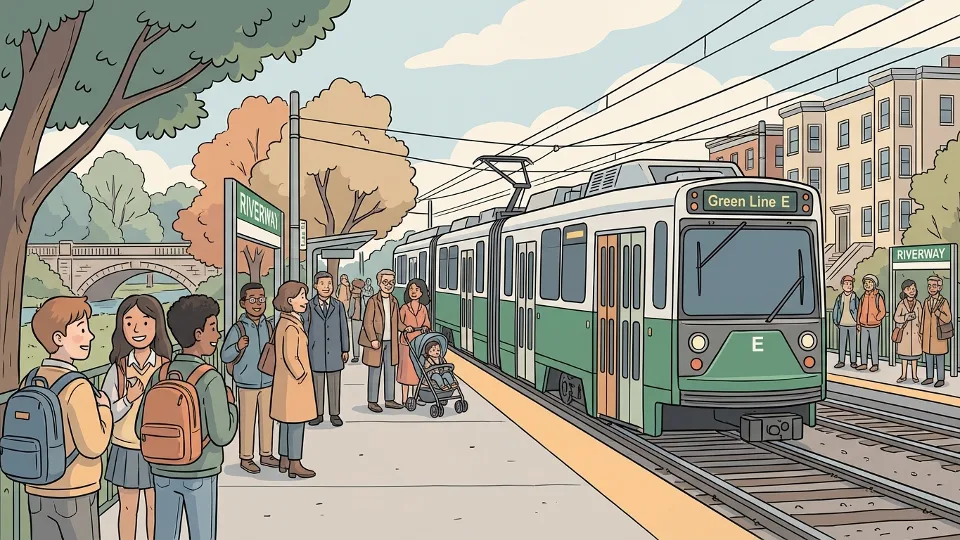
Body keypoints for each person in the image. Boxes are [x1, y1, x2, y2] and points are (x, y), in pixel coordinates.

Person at [136, 295, 238, 540]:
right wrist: (232, 406)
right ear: (198, 334)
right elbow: (222, 434)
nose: (217, 335)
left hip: (161, 468)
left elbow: (140, 427)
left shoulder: (160, 374)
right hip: (200, 470)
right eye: (212, 328)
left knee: (164, 533)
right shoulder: (210, 378)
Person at [22, 296, 113, 540]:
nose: (90, 336)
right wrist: (105, 410)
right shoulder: (77, 386)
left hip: (36, 487)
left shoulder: (30, 379)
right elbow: (93, 446)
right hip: (75, 490)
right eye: (81, 330)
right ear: (58, 338)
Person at [102, 295, 172, 540]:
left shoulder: (166, 366)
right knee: (127, 507)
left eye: (144, 322)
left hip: (159, 446)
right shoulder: (118, 369)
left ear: (157, 325)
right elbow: (108, 412)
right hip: (126, 446)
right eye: (129, 322)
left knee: (156, 506)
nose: (136, 329)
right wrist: (129, 399)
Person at [221, 282, 279, 475]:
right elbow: (225, 355)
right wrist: (237, 346)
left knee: (267, 419)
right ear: (243, 303)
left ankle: (266, 453)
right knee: (247, 421)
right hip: (246, 382)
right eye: (252, 300)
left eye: (261, 299)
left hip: (267, 381)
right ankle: (246, 457)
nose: (258, 304)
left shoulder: (268, 325)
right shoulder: (238, 328)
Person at [271, 281, 318, 478]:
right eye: (302, 297)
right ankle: (295, 463)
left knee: (286, 423)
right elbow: (291, 356)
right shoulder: (291, 326)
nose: (306, 301)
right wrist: (302, 374)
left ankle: (284, 459)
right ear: (290, 300)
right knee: (297, 424)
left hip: (285, 383)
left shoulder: (285, 322)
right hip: (295, 383)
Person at [305, 272, 350, 428]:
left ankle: (334, 414)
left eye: (329, 283)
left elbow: (344, 328)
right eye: (322, 284)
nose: (326, 287)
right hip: (315, 351)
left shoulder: (338, 305)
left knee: (334, 383)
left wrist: (345, 349)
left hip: (335, 351)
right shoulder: (309, 305)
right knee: (316, 384)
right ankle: (317, 414)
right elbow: (305, 327)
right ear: (315, 286)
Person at [359, 269, 406, 413]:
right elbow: (367, 322)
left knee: (390, 370)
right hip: (377, 342)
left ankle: (389, 399)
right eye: (385, 282)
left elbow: (397, 322)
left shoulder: (394, 301)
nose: (388, 285)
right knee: (375, 370)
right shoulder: (373, 301)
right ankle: (372, 401)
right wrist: (373, 339)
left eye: (391, 282)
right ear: (379, 283)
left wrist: (406, 328)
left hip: (391, 342)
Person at [398, 278, 432, 409]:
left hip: (419, 343)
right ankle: (404, 398)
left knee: (418, 370)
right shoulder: (404, 308)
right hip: (406, 343)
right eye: (411, 289)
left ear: (422, 292)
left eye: (417, 290)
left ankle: (416, 396)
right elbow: (399, 323)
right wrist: (405, 328)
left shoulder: (423, 309)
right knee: (406, 372)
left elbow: (427, 323)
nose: (413, 292)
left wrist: (425, 328)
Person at [920, 275, 952, 387]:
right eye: (929, 286)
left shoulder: (943, 302)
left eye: (934, 286)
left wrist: (938, 313)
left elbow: (948, 318)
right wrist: (921, 332)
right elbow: (923, 317)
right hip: (927, 335)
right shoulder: (926, 301)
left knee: (940, 357)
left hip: (938, 335)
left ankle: (940, 379)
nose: (931, 288)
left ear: (939, 287)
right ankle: (929, 377)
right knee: (928, 356)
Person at [893, 279, 923, 383]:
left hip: (915, 333)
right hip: (905, 334)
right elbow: (896, 317)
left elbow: (921, 318)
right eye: (908, 289)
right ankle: (903, 375)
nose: (911, 291)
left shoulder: (918, 304)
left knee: (914, 358)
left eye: (913, 289)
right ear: (904, 291)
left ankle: (914, 375)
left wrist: (921, 331)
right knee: (904, 357)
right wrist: (906, 317)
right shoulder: (901, 304)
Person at [857, 274, 886, 372]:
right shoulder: (863, 297)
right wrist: (858, 323)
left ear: (874, 284)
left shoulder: (878, 296)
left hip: (874, 326)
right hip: (863, 325)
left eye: (870, 282)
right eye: (865, 283)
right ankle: (864, 363)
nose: (867, 284)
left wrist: (876, 318)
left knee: (874, 345)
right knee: (863, 345)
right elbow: (859, 311)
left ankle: (875, 364)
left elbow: (882, 311)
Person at [832, 275, 860, 369]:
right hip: (842, 324)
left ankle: (853, 361)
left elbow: (859, 310)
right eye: (846, 283)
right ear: (842, 285)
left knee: (853, 344)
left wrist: (858, 322)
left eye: (850, 284)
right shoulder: (840, 297)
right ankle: (841, 361)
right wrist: (836, 321)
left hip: (853, 324)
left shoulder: (855, 297)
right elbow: (836, 310)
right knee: (842, 343)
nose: (849, 286)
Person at [349, 278, 365, 363]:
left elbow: (352, 308)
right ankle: (358, 355)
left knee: (358, 337)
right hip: (359, 318)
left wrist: (349, 314)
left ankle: (358, 355)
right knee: (359, 337)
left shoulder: (356, 296)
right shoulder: (359, 296)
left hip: (358, 319)